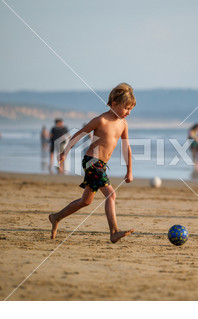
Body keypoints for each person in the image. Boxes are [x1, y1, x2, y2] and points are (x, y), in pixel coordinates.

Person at [49, 83, 136, 243]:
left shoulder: (123, 124)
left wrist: (129, 170)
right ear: (114, 104)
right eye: (126, 108)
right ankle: (114, 232)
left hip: (101, 165)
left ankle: (56, 217)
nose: (128, 113)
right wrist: (65, 151)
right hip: (92, 162)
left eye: (131, 109)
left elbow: (126, 147)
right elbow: (79, 134)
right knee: (111, 194)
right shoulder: (101, 120)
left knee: (86, 201)